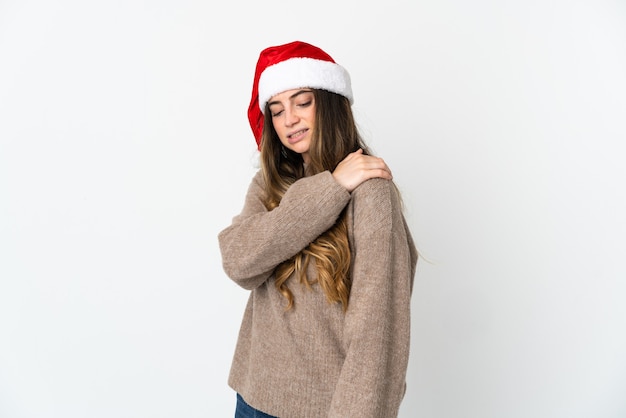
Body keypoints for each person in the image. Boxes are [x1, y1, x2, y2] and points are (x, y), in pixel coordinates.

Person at [218, 40, 418, 418]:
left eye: (302, 102)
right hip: (252, 399)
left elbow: (377, 332)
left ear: (328, 101)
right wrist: (330, 188)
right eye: (276, 111)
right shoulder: (271, 183)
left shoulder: (372, 191)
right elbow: (238, 261)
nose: (288, 119)